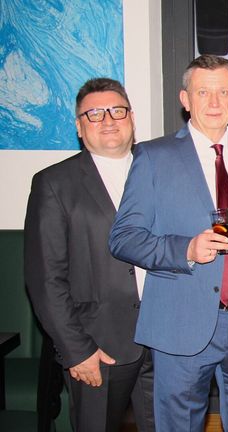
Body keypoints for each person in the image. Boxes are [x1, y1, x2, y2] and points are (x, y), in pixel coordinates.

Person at [109, 55, 228, 430]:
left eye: (223, 92)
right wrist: (185, 250)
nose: (214, 102)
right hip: (180, 323)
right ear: (185, 99)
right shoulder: (153, 156)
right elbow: (123, 238)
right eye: (203, 92)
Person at [25, 78, 154, 432]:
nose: (108, 120)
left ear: (132, 118)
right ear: (79, 127)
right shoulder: (53, 184)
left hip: (164, 343)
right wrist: (76, 350)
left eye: (117, 111)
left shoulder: (159, 170)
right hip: (98, 346)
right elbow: (45, 280)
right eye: (95, 114)